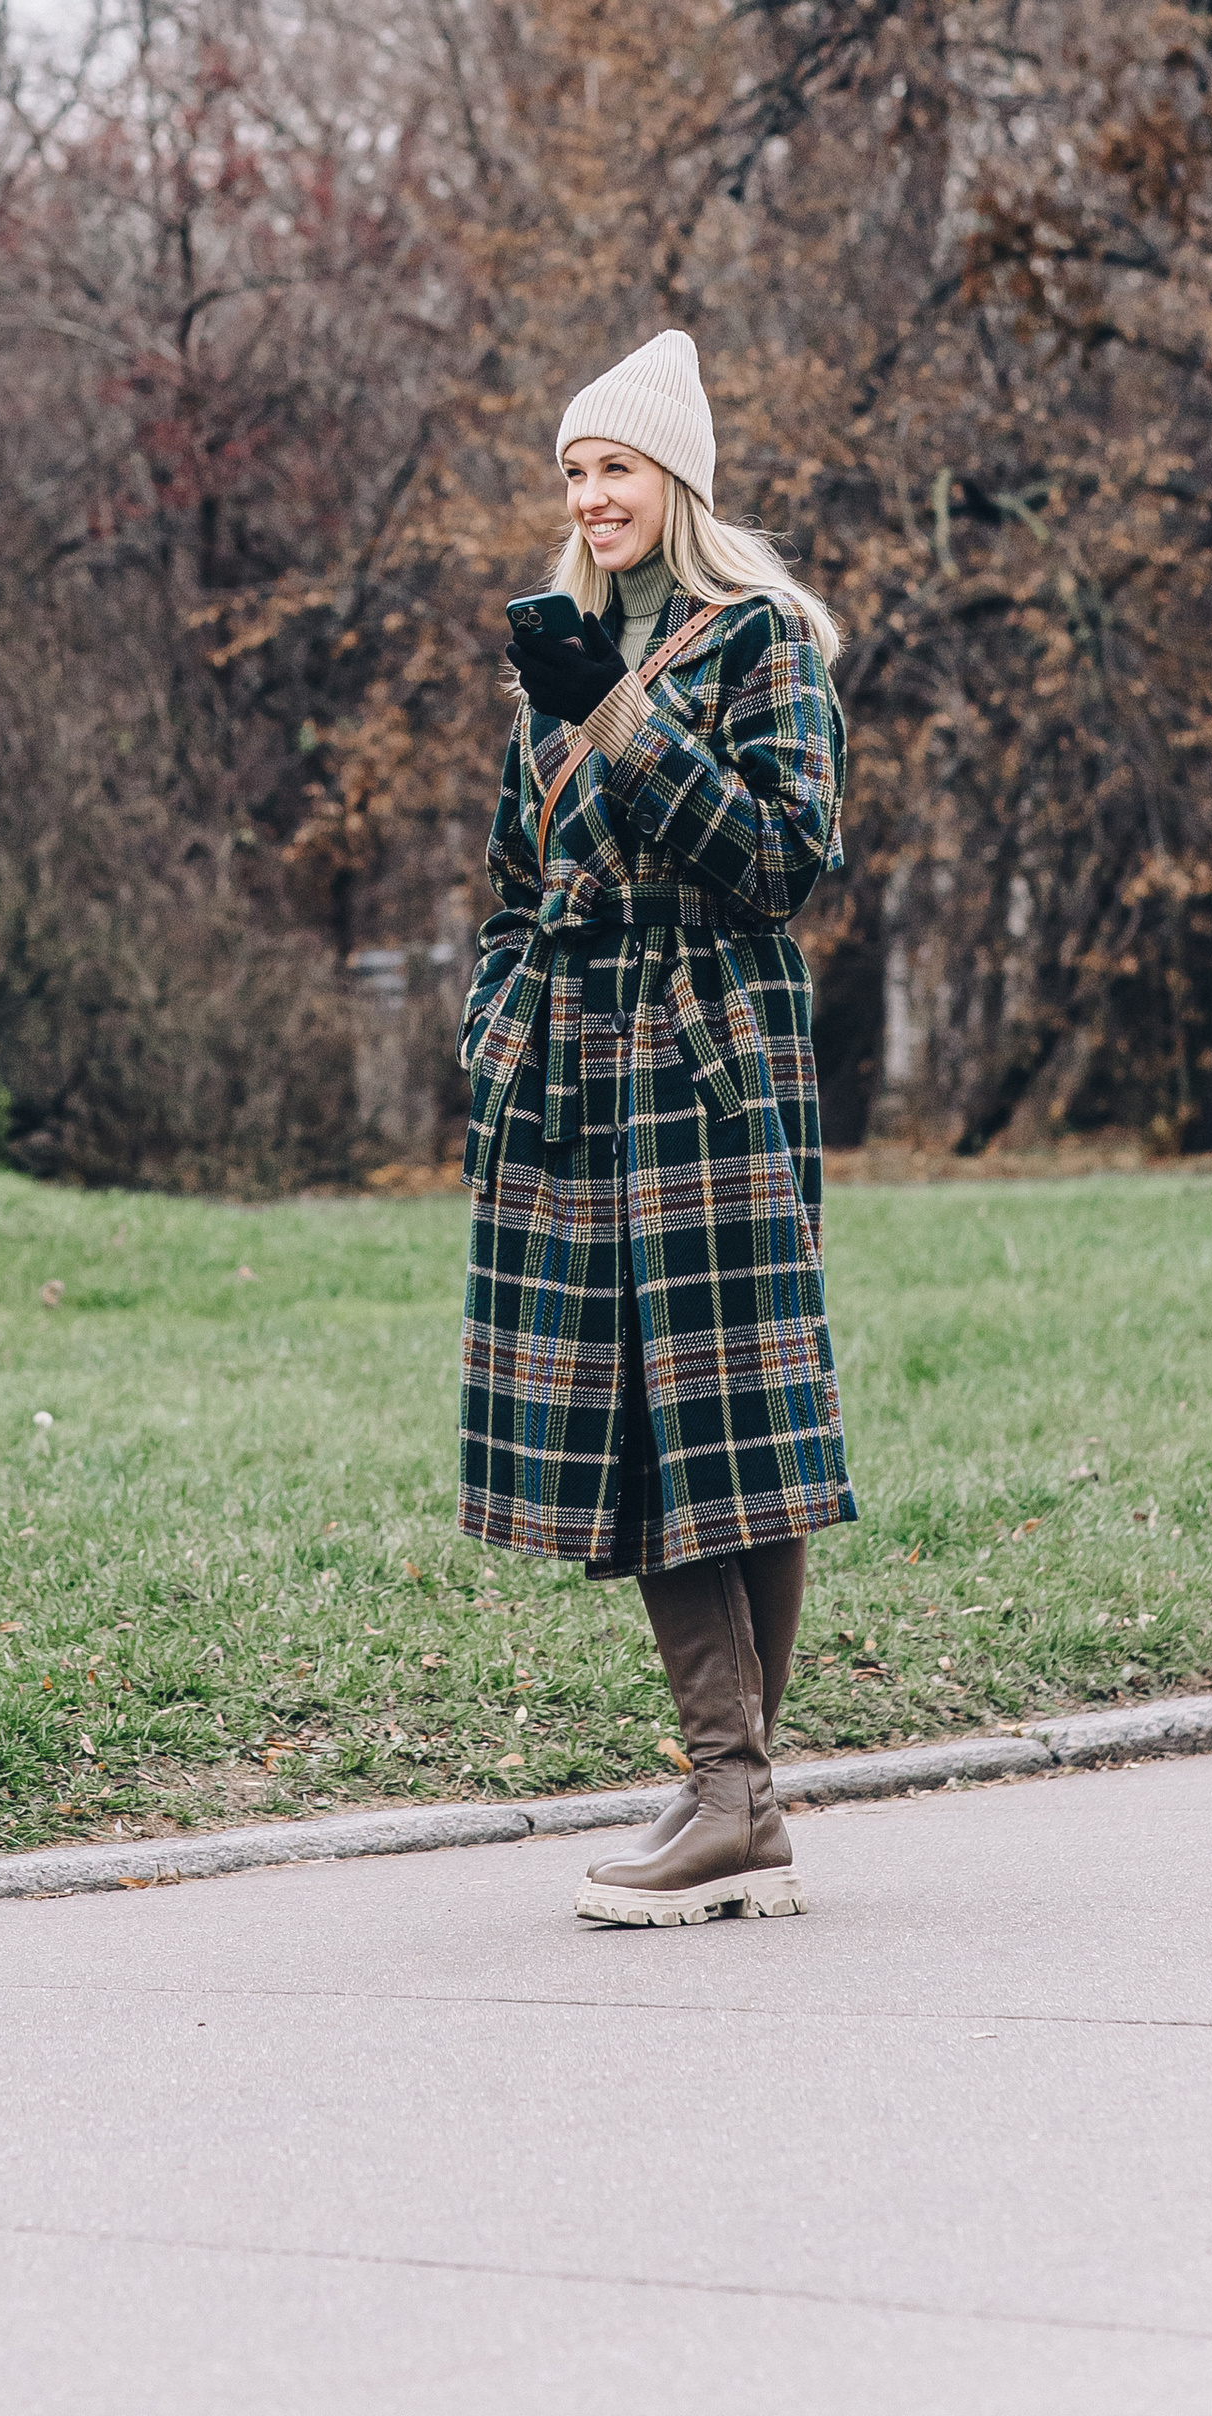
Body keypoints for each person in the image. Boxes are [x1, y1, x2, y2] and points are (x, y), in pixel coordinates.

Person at [457, 327, 854, 1926]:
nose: (589, 493)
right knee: (644, 1421)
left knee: (729, 1427)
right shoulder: (552, 659)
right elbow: (508, 881)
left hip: (710, 1067)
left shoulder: (764, 644)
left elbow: (784, 858)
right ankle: (734, 1794)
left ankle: (729, 1795)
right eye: (572, 470)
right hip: (569, 1072)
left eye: (614, 466)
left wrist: (624, 713)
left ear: (673, 479)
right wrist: (493, 1027)